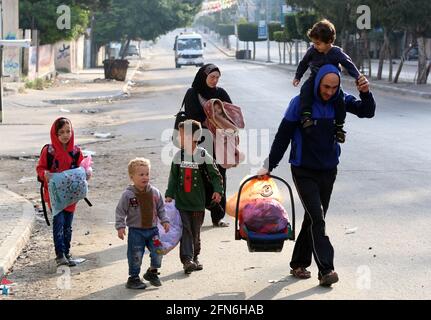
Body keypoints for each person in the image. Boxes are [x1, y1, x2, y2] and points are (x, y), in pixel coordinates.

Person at [259, 64, 376, 287]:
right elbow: (283, 136)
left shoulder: (340, 100)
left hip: (329, 169)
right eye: (326, 87)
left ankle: (298, 262)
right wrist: (269, 165)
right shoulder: (300, 103)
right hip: (303, 169)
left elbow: (367, 111)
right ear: (318, 82)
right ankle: (326, 270)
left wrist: (365, 92)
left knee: (313, 218)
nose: (329, 92)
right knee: (318, 217)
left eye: (334, 87)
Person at [165, 120, 224, 274]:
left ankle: (195, 257)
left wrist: (218, 190)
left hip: (198, 203)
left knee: (195, 232)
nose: (179, 138)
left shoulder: (203, 155)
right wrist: (169, 194)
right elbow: (173, 177)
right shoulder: (179, 156)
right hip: (182, 202)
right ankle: (187, 260)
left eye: (183, 135)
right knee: (186, 231)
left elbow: (215, 175)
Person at [293, 19, 362, 143]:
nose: (315, 46)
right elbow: (303, 63)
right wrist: (298, 76)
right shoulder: (312, 51)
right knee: (305, 90)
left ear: (329, 41)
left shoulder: (336, 52)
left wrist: (358, 76)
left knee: (340, 100)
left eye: (318, 43)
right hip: (315, 78)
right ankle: (306, 117)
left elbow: (348, 64)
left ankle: (339, 128)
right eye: (314, 43)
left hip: (332, 82)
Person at [183, 63, 232, 227]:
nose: (214, 80)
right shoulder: (192, 93)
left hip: (219, 142)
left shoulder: (220, 93)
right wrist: (209, 119)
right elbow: (191, 117)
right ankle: (197, 212)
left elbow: (230, 113)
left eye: (217, 78)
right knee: (200, 176)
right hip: (200, 142)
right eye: (212, 77)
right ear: (203, 76)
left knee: (219, 175)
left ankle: (218, 216)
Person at [36, 117, 86, 267]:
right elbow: (40, 168)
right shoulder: (49, 151)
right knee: (59, 223)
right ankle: (60, 255)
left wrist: (87, 172)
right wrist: (45, 174)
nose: (65, 135)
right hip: (55, 196)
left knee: (68, 225)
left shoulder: (76, 151)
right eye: (61, 132)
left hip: (71, 196)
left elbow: (82, 168)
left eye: (68, 131)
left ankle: (67, 252)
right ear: (55, 134)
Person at [115, 158, 170, 289]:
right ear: (132, 177)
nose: (145, 177)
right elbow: (120, 211)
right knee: (135, 254)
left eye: (147, 174)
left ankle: (152, 272)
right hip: (136, 232)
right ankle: (133, 278)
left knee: (159, 250)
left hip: (153, 231)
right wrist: (120, 226)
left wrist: (165, 220)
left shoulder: (155, 192)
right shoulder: (128, 195)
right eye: (141, 174)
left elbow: (161, 208)